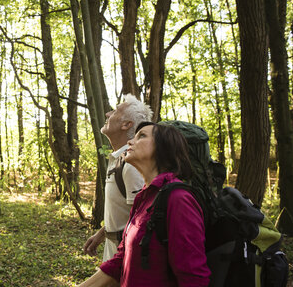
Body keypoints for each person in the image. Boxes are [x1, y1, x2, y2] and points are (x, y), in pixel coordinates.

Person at [78, 122, 210, 287]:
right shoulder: (143, 197)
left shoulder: (178, 200)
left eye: (142, 136)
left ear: (163, 148)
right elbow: (120, 261)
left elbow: (193, 278)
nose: (130, 142)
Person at [83, 94, 153, 262]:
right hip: (114, 254)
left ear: (126, 124)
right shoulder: (119, 159)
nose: (107, 114)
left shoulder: (132, 164)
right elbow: (126, 212)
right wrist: (102, 234)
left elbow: (142, 222)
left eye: (115, 111)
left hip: (126, 261)